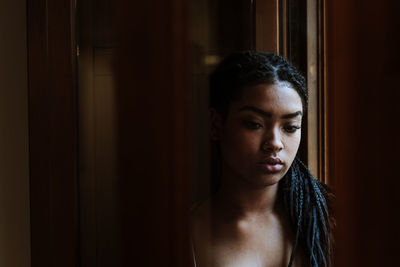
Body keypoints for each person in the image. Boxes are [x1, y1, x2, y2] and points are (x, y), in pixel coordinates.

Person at [191, 51, 334, 267]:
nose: (275, 142)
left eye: (290, 127)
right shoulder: (187, 234)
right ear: (216, 125)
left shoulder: (327, 221)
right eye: (254, 124)